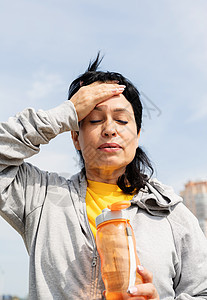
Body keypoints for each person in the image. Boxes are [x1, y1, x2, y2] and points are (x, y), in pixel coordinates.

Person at [0, 53, 207, 300]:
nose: (109, 129)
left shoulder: (172, 214)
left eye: (121, 120)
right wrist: (65, 113)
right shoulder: (39, 197)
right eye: (95, 119)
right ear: (75, 136)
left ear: (138, 134)